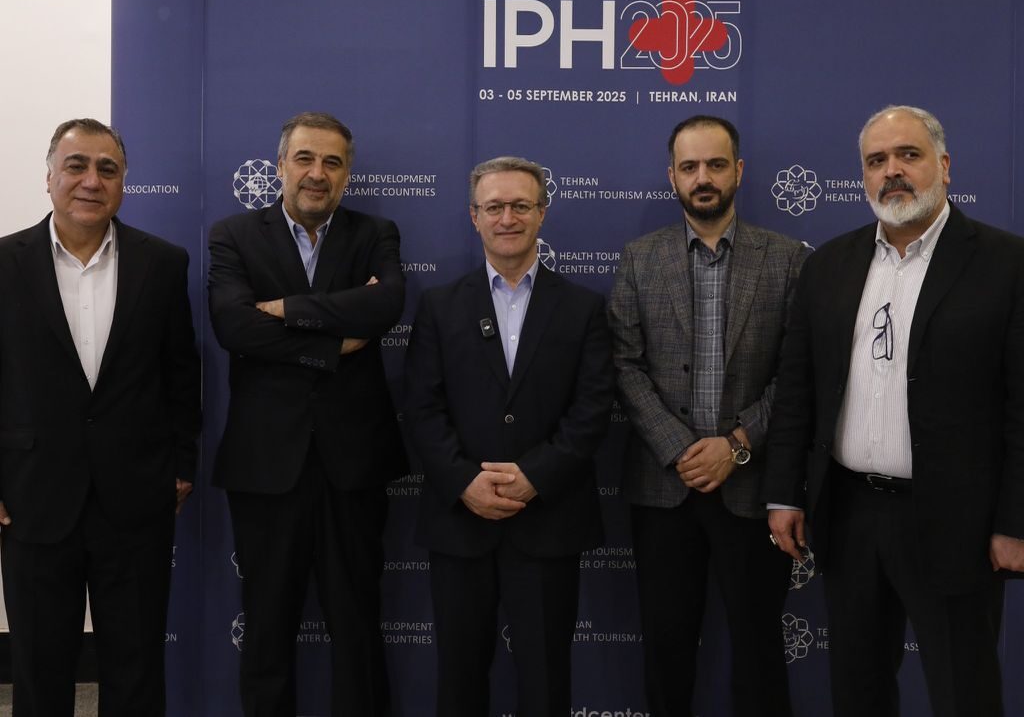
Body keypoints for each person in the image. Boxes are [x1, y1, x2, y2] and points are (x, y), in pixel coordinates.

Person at [764, 105, 1024, 717]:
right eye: (876, 161)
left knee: (964, 692)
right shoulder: (828, 265)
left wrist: (1015, 521)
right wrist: (783, 494)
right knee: (858, 690)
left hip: (957, 521)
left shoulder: (1006, 264)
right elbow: (798, 388)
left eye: (908, 155)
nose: (892, 172)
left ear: (944, 165)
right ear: (863, 176)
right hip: (850, 514)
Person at [208, 112, 406, 717]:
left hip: (354, 463)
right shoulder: (234, 235)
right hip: (266, 466)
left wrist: (287, 309)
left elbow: (386, 305)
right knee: (267, 627)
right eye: (305, 159)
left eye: (332, 162)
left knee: (358, 624)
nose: (317, 173)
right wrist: (332, 343)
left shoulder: (376, 232)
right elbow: (234, 326)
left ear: (346, 174)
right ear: (280, 167)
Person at [0, 118, 200, 715]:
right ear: (49, 177)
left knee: (136, 669)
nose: (91, 180)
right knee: (39, 669)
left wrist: (182, 464)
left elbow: (181, 372)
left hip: (137, 498)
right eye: (77, 166)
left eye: (107, 169)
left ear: (123, 182)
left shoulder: (162, 263)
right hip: (32, 497)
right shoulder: (4, 263)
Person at [608, 115, 805, 717]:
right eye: (689, 167)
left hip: (752, 489)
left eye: (716, 165)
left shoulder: (787, 259)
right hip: (663, 489)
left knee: (759, 651)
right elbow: (624, 364)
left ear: (738, 171)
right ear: (671, 176)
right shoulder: (640, 259)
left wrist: (736, 445)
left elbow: (798, 374)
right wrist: (680, 449)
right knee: (667, 652)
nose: (703, 178)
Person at [404, 156, 613, 717]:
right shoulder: (439, 306)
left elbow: (593, 409)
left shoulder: (584, 307)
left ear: (542, 213)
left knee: (546, 682)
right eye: (494, 206)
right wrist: (464, 482)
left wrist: (535, 476)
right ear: (474, 216)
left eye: (521, 205)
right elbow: (422, 408)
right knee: (459, 681)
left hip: (549, 520)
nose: (507, 218)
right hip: (460, 521)